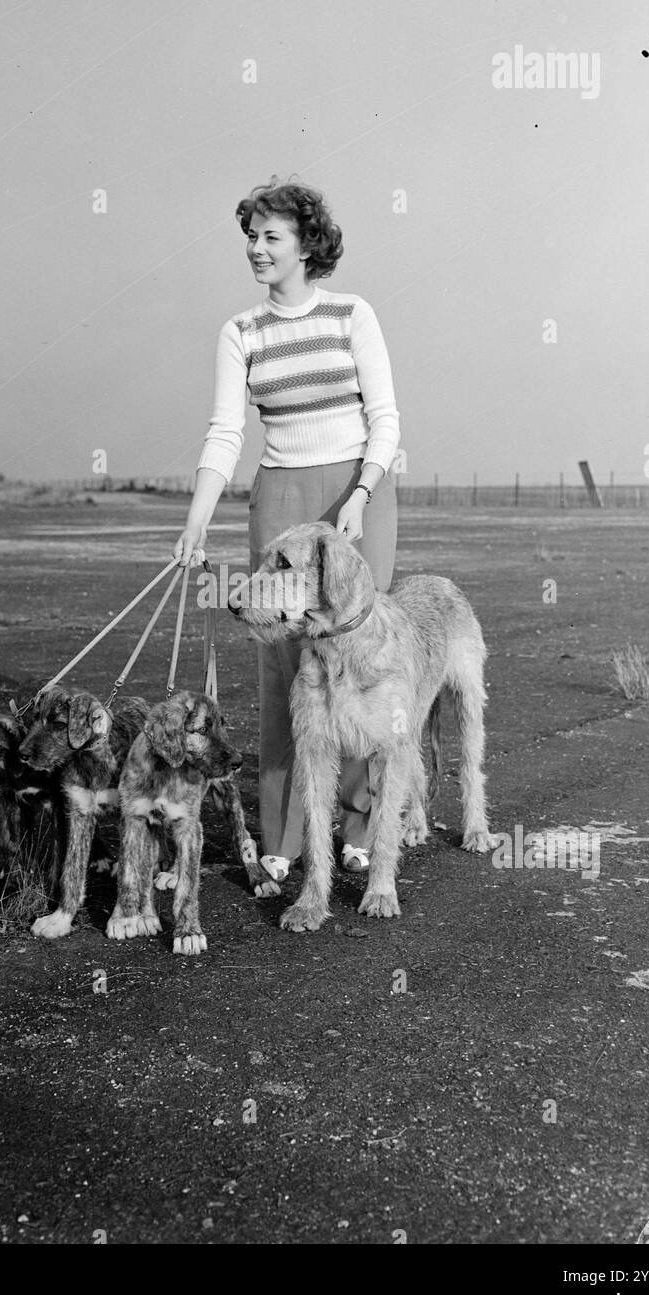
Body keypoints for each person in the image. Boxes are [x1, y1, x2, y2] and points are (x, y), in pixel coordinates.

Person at [172, 177, 401, 884]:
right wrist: (197, 519)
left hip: (357, 494)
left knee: (361, 663)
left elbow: (386, 418)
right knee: (285, 676)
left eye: (271, 236)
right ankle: (285, 835)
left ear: (306, 245)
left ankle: (364, 822)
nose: (257, 248)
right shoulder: (240, 332)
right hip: (280, 497)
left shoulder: (351, 314)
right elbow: (225, 432)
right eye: (252, 236)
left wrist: (361, 493)